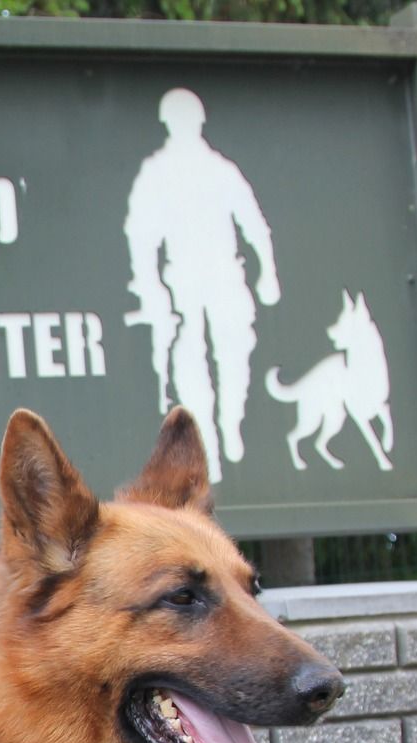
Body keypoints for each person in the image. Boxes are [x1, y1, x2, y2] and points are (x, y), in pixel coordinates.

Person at [123, 88, 281, 484]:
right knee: (190, 359)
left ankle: (231, 427)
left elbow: (254, 224)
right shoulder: (156, 173)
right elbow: (140, 235)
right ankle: (206, 438)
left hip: (225, 275)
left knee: (234, 354)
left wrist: (268, 273)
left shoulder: (220, 170)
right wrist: (150, 284)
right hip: (183, 281)